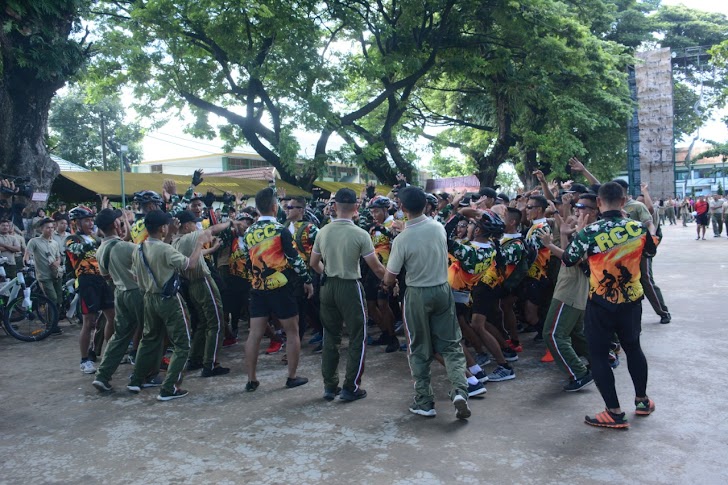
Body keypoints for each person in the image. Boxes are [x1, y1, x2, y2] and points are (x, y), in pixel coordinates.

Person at [562, 182, 656, 429]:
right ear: (624, 201)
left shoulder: (590, 232)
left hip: (601, 302)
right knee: (634, 348)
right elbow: (651, 251)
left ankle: (614, 412)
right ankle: (642, 401)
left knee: (599, 355)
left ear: (600, 203)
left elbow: (568, 259)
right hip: (631, 300)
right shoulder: (637, 228)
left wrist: (578, 233)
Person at [382, 186, 471, 420]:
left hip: (417, 294)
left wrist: (386, 283)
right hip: (442, 289)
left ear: (402, 208)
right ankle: (460, 391)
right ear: (426, 205)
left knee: (418, 348)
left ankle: (425, 401)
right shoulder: (438, 227)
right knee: (451, 345)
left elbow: (390, 276)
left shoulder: (402, 239)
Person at [309, 188, 388, 401]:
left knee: (330, 336)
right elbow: (377, 268)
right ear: (356, 208)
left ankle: (329, 386)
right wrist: (391, 282)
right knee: (357, 336)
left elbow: (313, 263)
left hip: (327, 287)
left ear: (333, 208)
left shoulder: (322, 231)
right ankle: (350, 386)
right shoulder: (360, 234)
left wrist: (326, 271)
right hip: (350, 286)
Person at [128, 210, 212, 401]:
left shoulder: (139, 248)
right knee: (182, 344)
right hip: (168, 300)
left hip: (149, 298)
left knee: (149, 339)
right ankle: (170, 387)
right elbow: (190, 264)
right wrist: (199, 244)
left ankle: (136, 379)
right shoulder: (165, 249)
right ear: (163, 228)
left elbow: (134, 275)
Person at [241, 187, 313, 392]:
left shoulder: (248, 232)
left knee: (254, 333)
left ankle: (251, 379)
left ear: (257, 208)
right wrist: (307, 279)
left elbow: (247, 261)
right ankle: (291, 376)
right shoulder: (280, 230)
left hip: (257, 287)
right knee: (292, 331)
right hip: (281, 286)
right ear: (275, 207)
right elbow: (294, 258)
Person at [538, 194, 596, 392]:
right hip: (570, 287)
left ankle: (579, 373)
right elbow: (569, 257)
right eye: (577, 206)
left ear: (595, 211)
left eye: (582, 207)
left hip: (570, 291)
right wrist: (564, 235)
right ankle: (604, 359)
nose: (577, 210)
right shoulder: (584, 231)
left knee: (553, 334)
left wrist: (550, 245)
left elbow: (577, 260)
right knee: (575, 334)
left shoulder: (591, 233)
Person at [91, 208, 145, 392]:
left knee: (120, 336)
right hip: (136, 293)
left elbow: (106, 276)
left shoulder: (100, 250)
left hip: (120, 293)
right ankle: (140, 376)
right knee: (148, 333)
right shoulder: (126, 247)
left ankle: (103, 375)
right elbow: (149, 262)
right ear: (115, 224)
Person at [173, 210, 232, 377]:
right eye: (194, 223)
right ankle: (210, 364)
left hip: (191, 285)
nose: (196, 225)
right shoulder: (189, 237)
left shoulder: (175, 241)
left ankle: (195, 358)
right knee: (216, 322)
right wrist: (230, 223)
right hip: (202, 282)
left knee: (203, 323)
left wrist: (212, 249)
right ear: (186, 226)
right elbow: (212, 230)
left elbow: (198, 253)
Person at [66, 206, 115, 374]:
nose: (90, 223)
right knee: (90, 322)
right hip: (86, 282)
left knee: (112, 316)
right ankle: (84, 359)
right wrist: (101, 239)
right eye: (86, 220)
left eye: (91, 220)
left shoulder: (94, 236)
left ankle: (111, 352)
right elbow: (77, 250)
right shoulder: (72, 239)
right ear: (75, 223)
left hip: (102, 279)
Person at [24, 217, 63, 335]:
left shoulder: (55, 242)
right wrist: (26, 262)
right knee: (52, 298)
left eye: (52, 227)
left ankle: (54, 323)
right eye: (47, 228)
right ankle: (50, 325)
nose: (50, 230)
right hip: (44, 275)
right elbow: (27, 255)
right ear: (42, 229)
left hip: (56, 273)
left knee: (59, 300)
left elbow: (58, 257)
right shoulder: (34, 241)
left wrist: (57, 263)